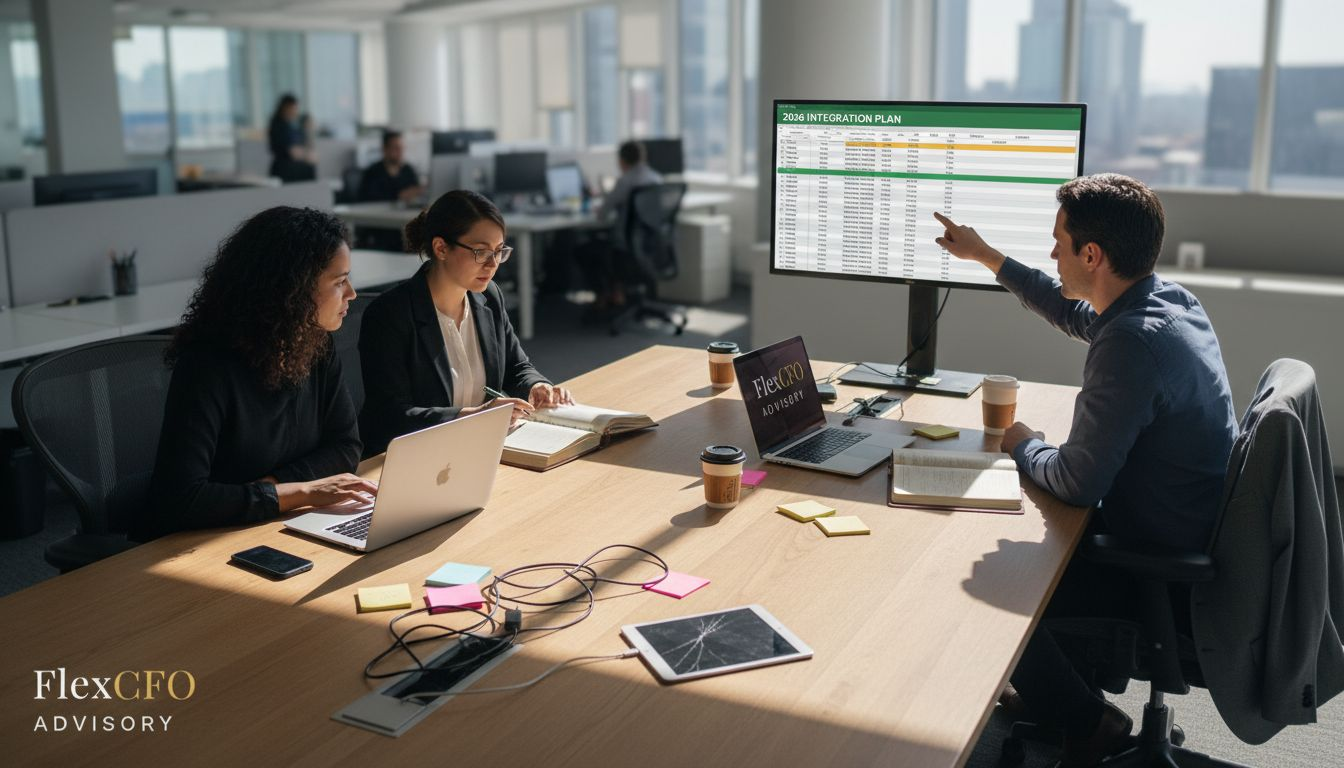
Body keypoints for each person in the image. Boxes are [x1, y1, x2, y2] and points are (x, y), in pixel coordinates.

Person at [933, 173, 1237, 767]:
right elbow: (1069, 310)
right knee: (1023, 544)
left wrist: (1024, 444)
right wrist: (987, 256)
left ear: (1091, 255)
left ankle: (1088, 722)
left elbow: (1077, 482)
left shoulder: (1131, 343)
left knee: (986, 579)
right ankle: (1064, 694)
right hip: (1188, 531)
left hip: (1157, 568)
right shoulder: (1166, 301)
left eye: (1059, 242)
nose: (1053, 254)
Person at [138, 207, 373, 541]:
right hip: (202, 540)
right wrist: (301, 492)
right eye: (339, 282)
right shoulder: (207, 366)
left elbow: (346, 447)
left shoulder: (316, 344)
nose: (351, 293)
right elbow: (180, 499)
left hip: (271, 522)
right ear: (293, 289)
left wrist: (272, 490)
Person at [358, 190, 573, 457]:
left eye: (499, 251)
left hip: (475, 450)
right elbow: (390, 415)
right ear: (441, 248)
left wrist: (536, 386)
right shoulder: (390, 314)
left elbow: (517, 367)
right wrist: (471, 416)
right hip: (412, 458)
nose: (493, 264)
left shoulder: (489, 296)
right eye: (481, 252)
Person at [580, 140, 664, 314]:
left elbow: (602, 214)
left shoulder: (626, 181)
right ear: (643, 157)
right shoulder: (656, 178)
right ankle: (617, 294)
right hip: (651, 246)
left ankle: (604, 296)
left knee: (583, 250)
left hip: (627, 249)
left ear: (621, 161)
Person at [357, 130, 424, 204]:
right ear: (385, 149)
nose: (400, 151)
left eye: (401, 148)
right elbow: (367, 199)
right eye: (396, 148)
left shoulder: (408, 170)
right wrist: (398, 196)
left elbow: (417, 191)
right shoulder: (372, 172)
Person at [267, 94, 316, 182]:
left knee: (310, 167)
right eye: (293, 108)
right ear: (285, 108)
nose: (295, 111)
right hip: (284, 168)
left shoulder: (293, 126)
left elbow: (306, 146)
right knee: (308, 169)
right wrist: (306, 154)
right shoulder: (279, 126)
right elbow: (293, 152)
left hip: (293, 166)